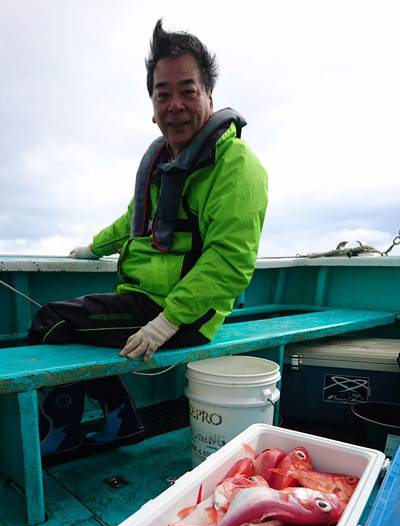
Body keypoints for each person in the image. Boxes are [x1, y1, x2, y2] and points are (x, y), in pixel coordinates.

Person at [29, 19, 268, 462]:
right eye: (163, 93)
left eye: (187, 90)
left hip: (183, 313)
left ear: (209, 95)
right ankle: (123, 418)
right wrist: (94, 248)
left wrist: (167, 322)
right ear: (152, 104)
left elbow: (231, 262)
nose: (175, 104)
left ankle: (69, 432)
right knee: (73, 323)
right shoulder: (164, 161)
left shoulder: (235, 166)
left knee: (53, 321)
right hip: (144, 297)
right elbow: (133, 221)